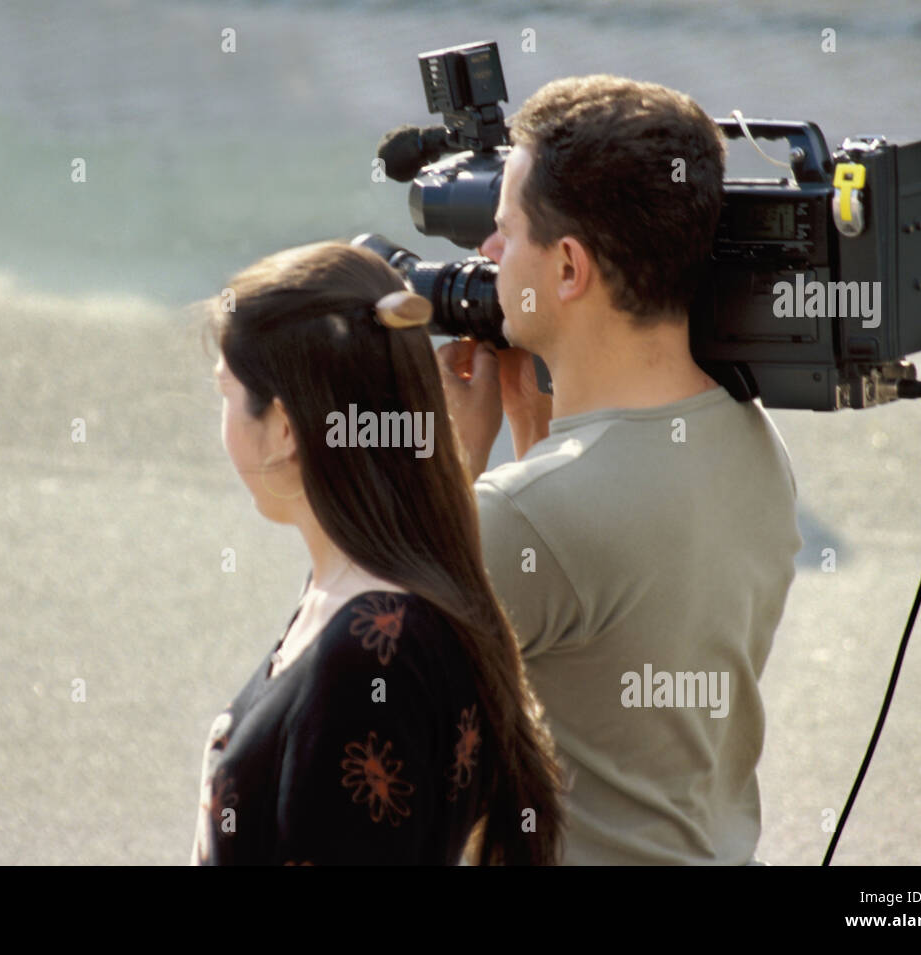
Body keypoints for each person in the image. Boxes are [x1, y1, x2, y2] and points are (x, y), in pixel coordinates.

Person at [436, 75, 803, 865]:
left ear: (568, 269)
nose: (487, 254)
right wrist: (539, 440)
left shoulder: (529, 514)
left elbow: (364, 673)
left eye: (503, 231)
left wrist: (454, 463)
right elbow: (596, 646)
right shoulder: (752, 441)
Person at [191, 240, 566, 865]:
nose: (222, 424)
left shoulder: (369, 656)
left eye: (226, 394)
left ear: (284, 429)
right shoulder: (362, 605)